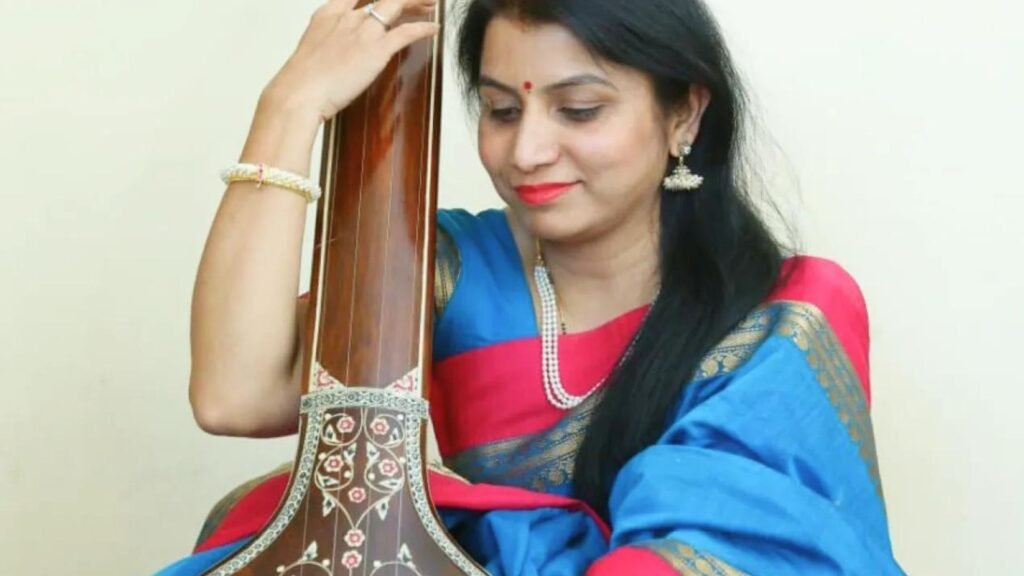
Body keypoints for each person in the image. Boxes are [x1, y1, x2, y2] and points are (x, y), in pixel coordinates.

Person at [156, 0, 904, 573]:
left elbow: (735, 550)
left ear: (685, 114)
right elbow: (235, 393)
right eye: (502, 110)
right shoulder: (446, 266)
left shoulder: (785, 314)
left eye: (579, 110)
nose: (528, 150)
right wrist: (289, 108)